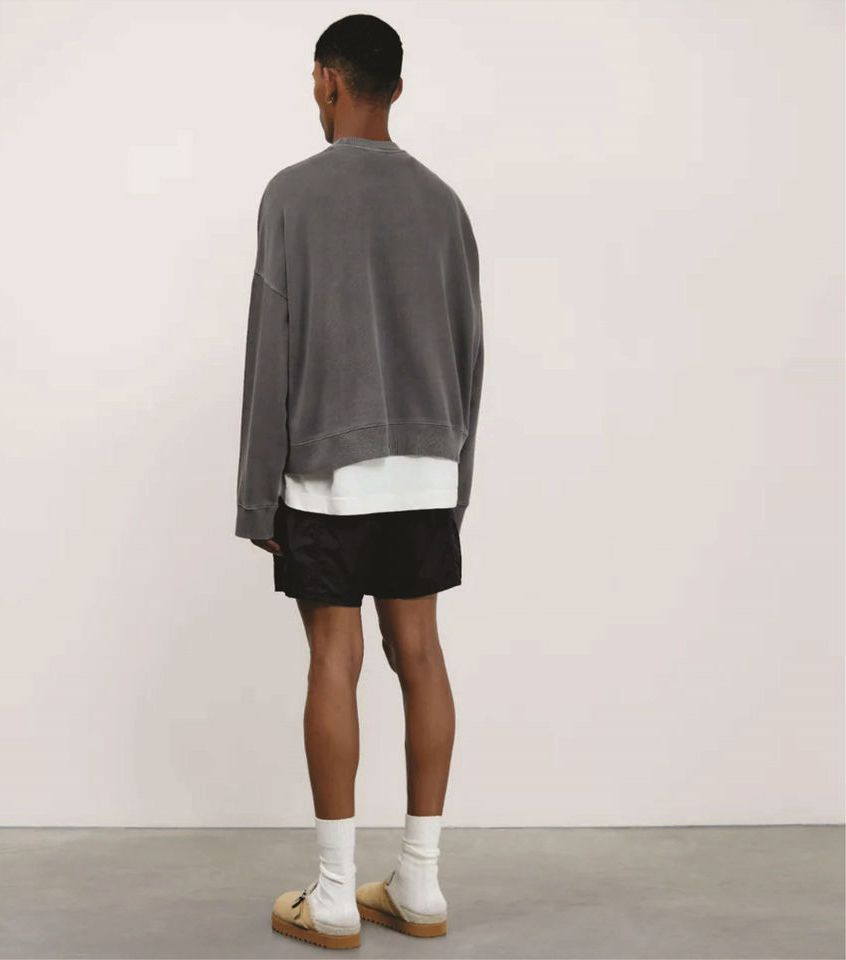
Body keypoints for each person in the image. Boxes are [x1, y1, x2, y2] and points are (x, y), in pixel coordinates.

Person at [234, 13, 485, 950]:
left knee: (333, 660)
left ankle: (336, 895)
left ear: (325, 81)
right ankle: (419, 883)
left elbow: (271, 349)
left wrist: (258, 494)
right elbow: (470, 355)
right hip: (425, 465)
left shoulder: (291, 195)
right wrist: (455, 485)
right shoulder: (445, 203)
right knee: (421, 654)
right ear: (397, 89)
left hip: (327, 474)